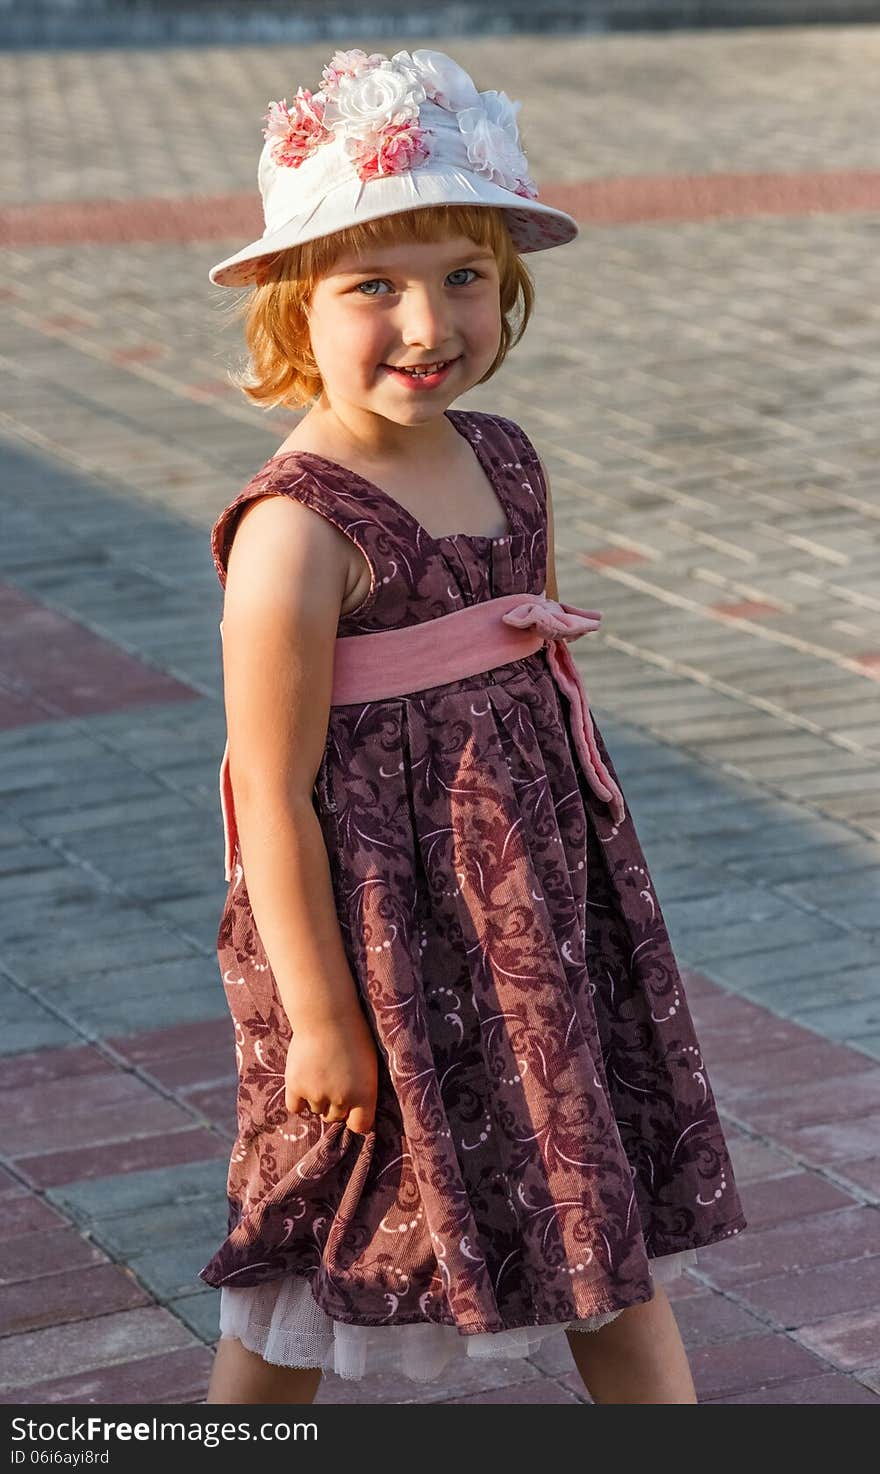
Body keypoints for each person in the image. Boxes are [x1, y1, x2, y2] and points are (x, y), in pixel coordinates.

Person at [200, 46, 746, 1406]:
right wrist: (324, 1013)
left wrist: (581, 895)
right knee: (325, 1220)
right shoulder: (297, 529)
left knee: (586, 1182)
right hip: (375, 936)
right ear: (293, 305)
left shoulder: (505, 461)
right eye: (372, 287)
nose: (427, 321)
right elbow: (269, 790)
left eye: (462, 276)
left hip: (534, 917)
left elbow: (531, 695)